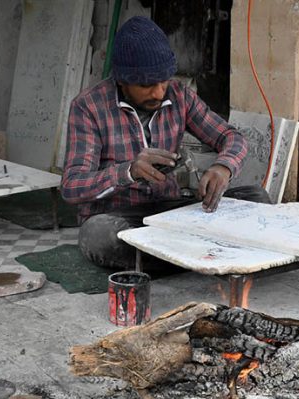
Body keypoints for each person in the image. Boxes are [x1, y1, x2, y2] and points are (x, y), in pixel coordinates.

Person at [61, 16, 270, 269]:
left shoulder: (179, 95)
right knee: (98, 236)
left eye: (163, 81)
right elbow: (72, 187)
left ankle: (175, 256)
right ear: (122, 79)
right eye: (146, 85)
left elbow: (232, 137)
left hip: (172, 210)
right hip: (122, 215)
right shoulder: (88, 107)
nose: (158, 93)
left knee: (256, 198)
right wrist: (127, 172)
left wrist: (223, 167)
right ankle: (196, 255)